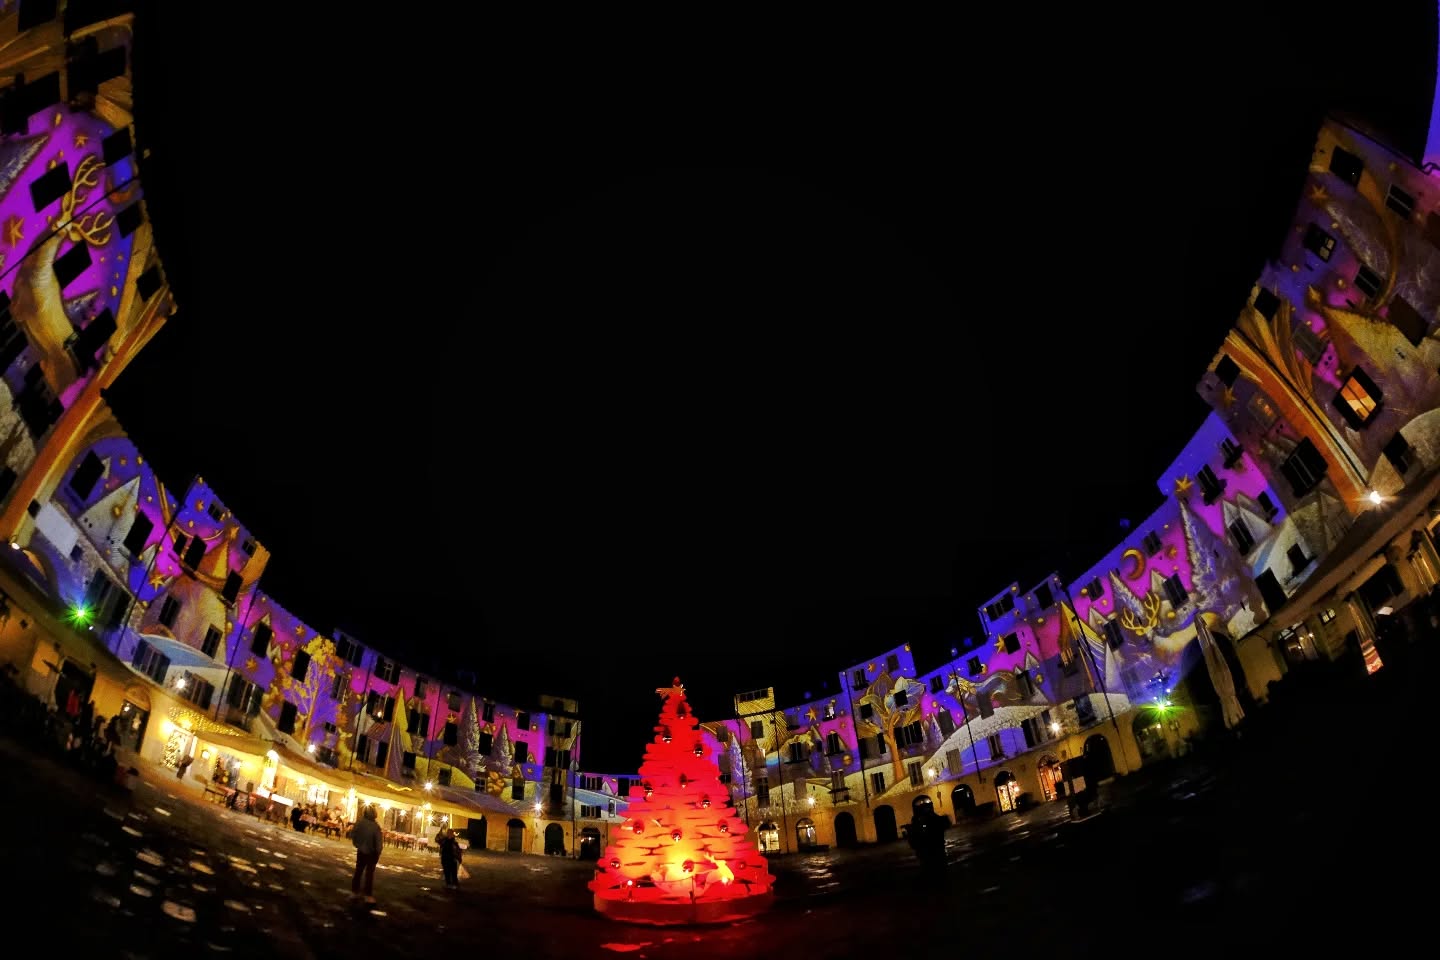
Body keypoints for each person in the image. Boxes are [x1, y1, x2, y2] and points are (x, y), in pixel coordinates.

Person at [351, 805, 383, 903]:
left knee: (358, 871)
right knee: (369, 874)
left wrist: (357, 844)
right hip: (371, 853)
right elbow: (378, 842)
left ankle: (355, 892)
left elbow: (353, 834)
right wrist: (378, 852)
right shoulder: (375, 826)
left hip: (361, 851)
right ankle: (367, 895)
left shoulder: (360, 823)